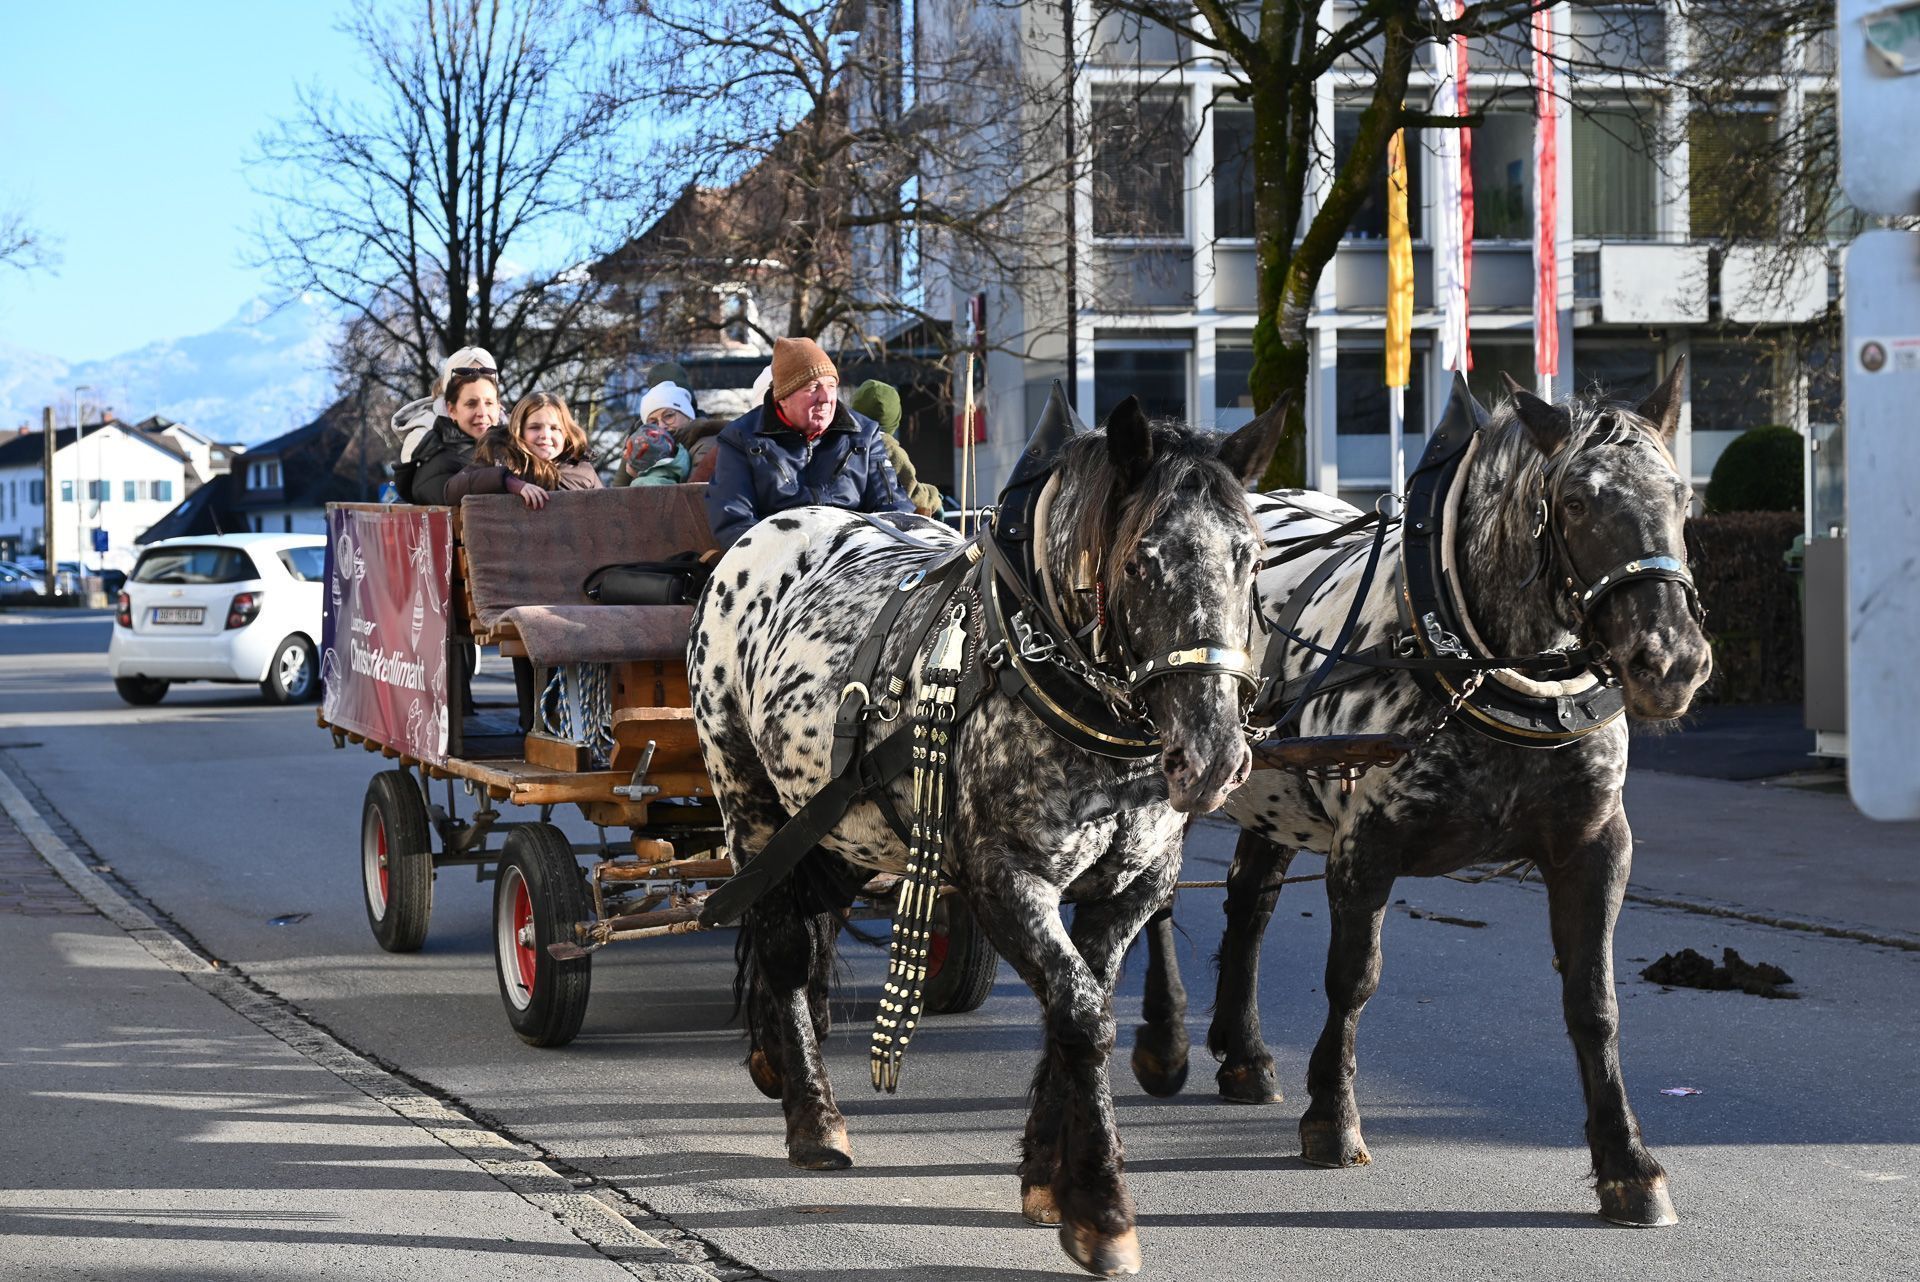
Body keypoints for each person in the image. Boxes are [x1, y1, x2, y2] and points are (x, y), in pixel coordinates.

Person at [705, 338, 913, 548]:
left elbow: (894, 508)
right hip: (778, 556)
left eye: (831, 386)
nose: (826, 398)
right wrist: (791, 555)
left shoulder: (864, 433)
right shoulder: (740, 438)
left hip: (854, 553)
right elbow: (735, 522)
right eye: (813, 387)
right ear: (783, 397)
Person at [446, 392, 602, 508]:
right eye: (535, 427)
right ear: (519, 431)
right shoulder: (501, 460)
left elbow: (607, 514)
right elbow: (451, 491)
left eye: (555, 428)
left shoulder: (582, 469)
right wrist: (508, 482)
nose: (545, 435)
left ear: (566, 432)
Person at [392, 347, 503, 505]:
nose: (482, 412)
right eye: (465, 376)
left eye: (485, 376)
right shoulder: (424, 434)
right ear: (451, 407)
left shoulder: (513, 432)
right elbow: (431, 492)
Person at [849, 379, 944, 517]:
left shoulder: (840, 442)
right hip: (877, 524)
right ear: (894, 417)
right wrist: (933, 497)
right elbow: (910, 492)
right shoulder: (886, 447)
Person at [616, 383, 695, 486]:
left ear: (688, 415)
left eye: (668, 416)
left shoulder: (703, 444)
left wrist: (641, 475)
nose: (661, 426)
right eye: (653, 423)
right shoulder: (641, 451)